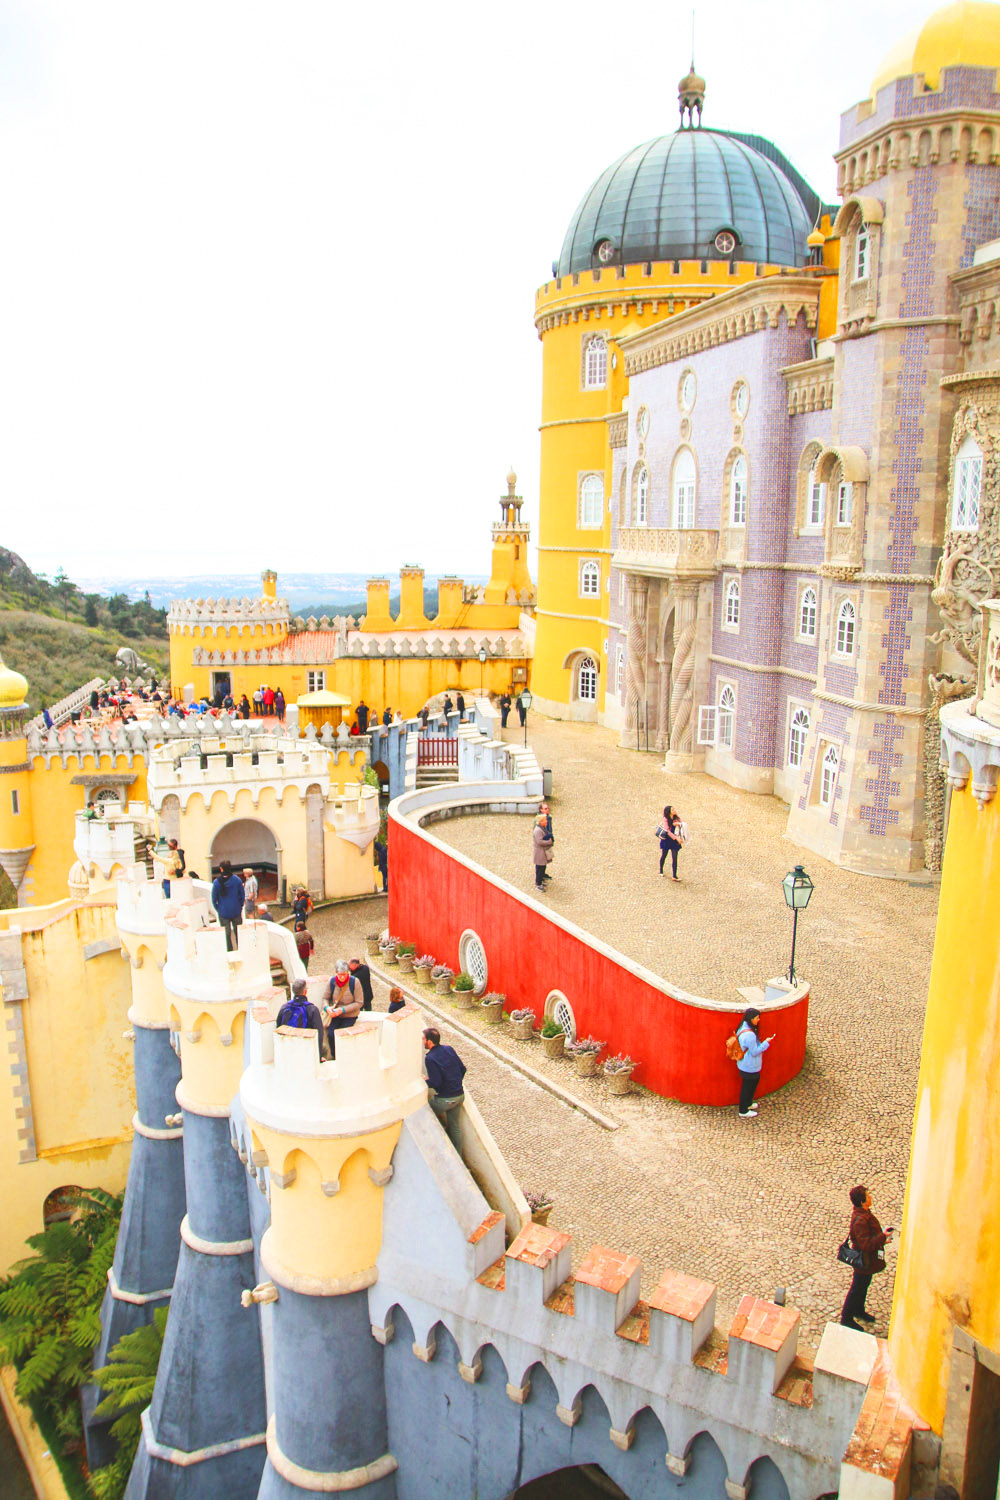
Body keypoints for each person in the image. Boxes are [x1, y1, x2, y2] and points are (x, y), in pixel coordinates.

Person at [841, 1185, 892, 1331]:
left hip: (868, 1261)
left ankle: (858, 1310)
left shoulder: (864, 1214)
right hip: (864, 1261)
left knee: (863, 1287)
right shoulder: (861, 1220)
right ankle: (847, 1318)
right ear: (863, 1201)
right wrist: (882, 1237)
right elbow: (866, 1244)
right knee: (857, 1288)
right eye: (868, 1196)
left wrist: (883, 1238)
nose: (871, 1198)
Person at [423, 1028, 466, 1146]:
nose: (422, 1041)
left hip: (445, 1099)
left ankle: (441, 1142)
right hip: (460, 1095)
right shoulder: (449, 1049)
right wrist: (454, 1084)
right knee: (455, 1127)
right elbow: (463, 1069)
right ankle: (459, 1158)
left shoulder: (430, 1058)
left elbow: (436, 1083)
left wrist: (425, 1081)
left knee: (426, 1113)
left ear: (430, 1041)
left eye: (423, 1039)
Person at [734, 1007, 775, 1119]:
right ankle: (743, 1110)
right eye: (757, 1018)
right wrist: (766, 1043)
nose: (759, 1020)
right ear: (751, 1019)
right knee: (747, 1087)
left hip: (744, 1064)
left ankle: (748, 1104)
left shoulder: (742, 1027)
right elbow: (755, 1051)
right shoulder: (750, 1035)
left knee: (751, 1084)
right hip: (750, 1066)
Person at [276, 979, 326, 1061]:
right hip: (306, 1050)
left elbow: (278, 1026)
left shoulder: (284, 1007)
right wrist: (318, 1056)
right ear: (305, 991)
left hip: (288, 1050)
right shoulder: (312, 1009)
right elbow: (319, 1034)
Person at [322, 960, 363, 1057]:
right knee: (331, 1034)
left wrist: (343, 1010)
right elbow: (325, 998)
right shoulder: (331, 982)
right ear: (336, 973)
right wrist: (327, 1008)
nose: (342, 977)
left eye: (344, 974)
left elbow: (359, 1002)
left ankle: (343, 1056)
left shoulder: (354, 982)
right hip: (335, 1015)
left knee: (342, 1035)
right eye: (340, 975)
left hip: (350, 1015)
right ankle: (334, 1055)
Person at [211, 861, 245, 951]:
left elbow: (214, 899)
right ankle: (241, 949)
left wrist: (219, 909)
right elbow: (242, 895)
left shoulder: (216, 882)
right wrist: (240, 906)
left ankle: (229, 951)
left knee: (226, 933)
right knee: (239, 931)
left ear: (221, 869)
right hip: (236, 910)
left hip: (223, 912)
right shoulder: (237, 880)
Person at [658, 805, 682, 880]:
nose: (674, 811)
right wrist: (676, 838)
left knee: (675, 857)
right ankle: (661, 870)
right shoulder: (665, 819)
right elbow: (667, 830)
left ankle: (674, 875)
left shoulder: (676, 818)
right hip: (667, 840)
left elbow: (682, 824)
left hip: (674, 841)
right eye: (672, 810)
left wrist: (678, 824)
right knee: (664, 855)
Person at [533, 814, 554, 889]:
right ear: (541, 822)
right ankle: (538, 883)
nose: (546, 821)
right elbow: (539, 842)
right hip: (540, 853)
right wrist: (549, 842)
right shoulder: (538, 830)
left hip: (542, 852)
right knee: (540, 868)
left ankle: (540, 880)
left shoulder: (541, 828)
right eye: (545, 820)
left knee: (542, 867)